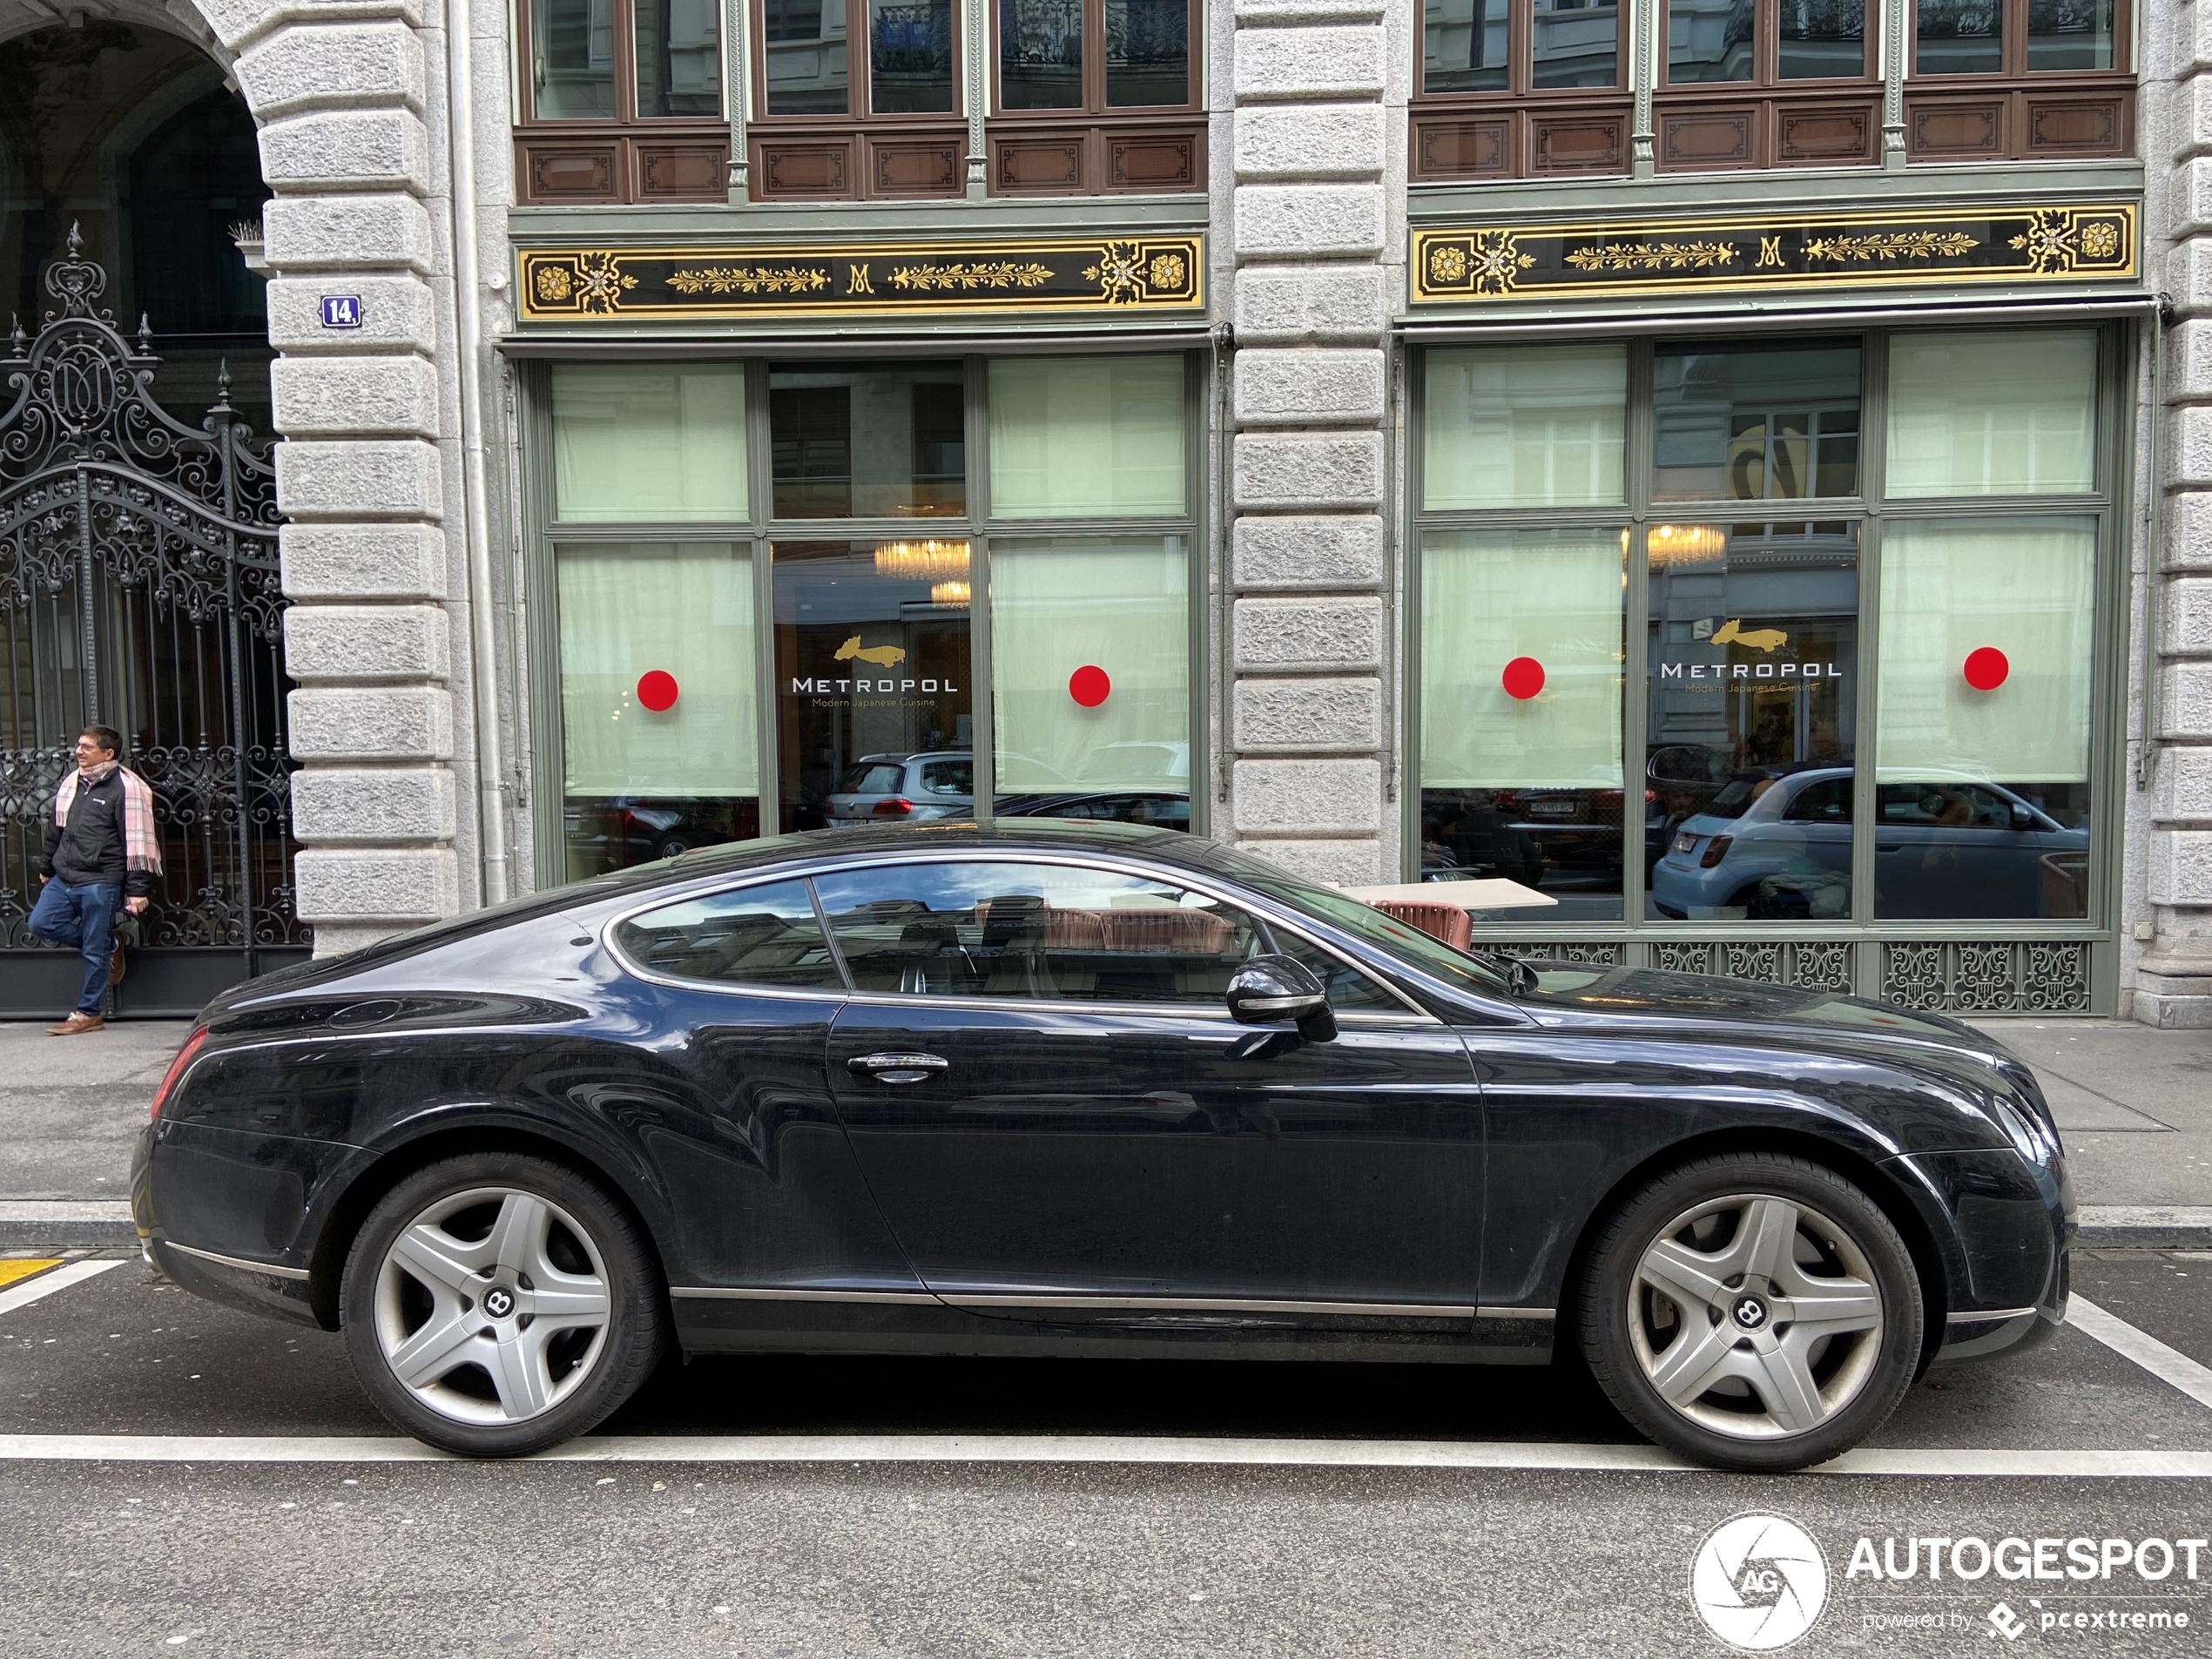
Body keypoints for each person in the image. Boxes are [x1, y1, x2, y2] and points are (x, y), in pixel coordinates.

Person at [29, 725, 160, 1035]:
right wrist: (47, 868)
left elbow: (138, 842)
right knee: (40, 923)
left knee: (92, 948)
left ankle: (87, 1013)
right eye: (79, 745)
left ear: (108, 753)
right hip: (66, 876)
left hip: (101, 880)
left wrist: (138, 891)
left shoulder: (128, 789)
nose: (79, 751)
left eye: (87, 747)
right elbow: (55, 830)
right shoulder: (72, 783)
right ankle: (110, 943)